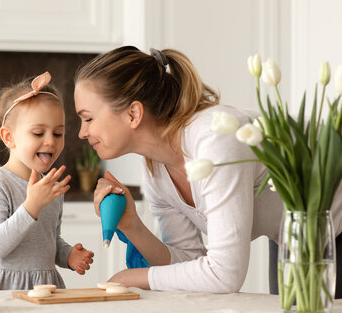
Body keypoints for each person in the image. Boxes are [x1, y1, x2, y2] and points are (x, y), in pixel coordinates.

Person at [73, 46, 342, 293]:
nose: (82, 133)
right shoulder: (156, 171)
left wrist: (131, 277)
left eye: (88, 118)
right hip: (295, 236)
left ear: (133, 114)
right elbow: (190, 264)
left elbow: (225, 274)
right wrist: (133, 227)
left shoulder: (215, 139)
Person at [0, 71, 94, 291]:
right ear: (9, 137)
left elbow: (47, 240)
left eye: (58, 133)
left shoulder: (48, 188)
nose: (50, 141)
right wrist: (31, 206)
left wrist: (67, 254)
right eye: (38, 133)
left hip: (42, 289)